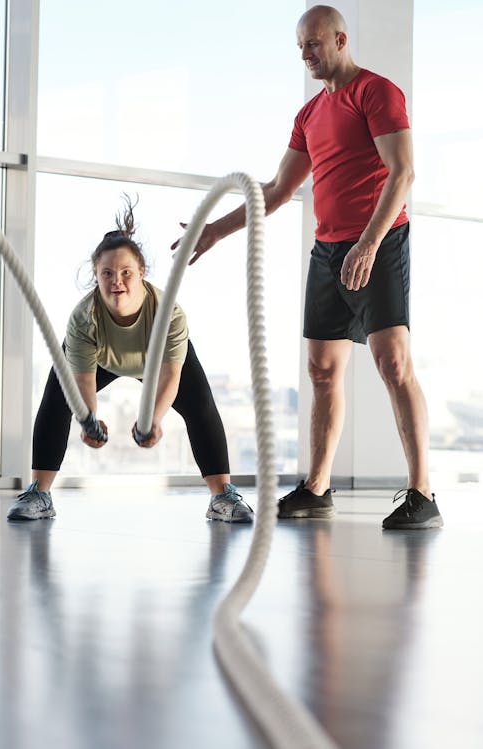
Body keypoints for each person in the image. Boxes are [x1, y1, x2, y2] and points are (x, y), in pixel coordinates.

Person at [171, 5, 443, 530]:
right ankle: (317, 488)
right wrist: (214, 231)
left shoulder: (376, 92)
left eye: (313, 44)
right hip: (327, 251)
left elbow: (403, 171)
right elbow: (275, 191)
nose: (305, 55)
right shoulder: (309, 114)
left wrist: (368, 243)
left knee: (392, 362)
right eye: (299, 47)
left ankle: (422, 493)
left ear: (340, 40)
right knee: (321, 370)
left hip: (380, 243)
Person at [7, 203, 253, 524]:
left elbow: (169, 375)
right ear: (96, 276)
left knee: (201, 405)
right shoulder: (84, 318)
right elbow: (83, 381)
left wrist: (151, 422)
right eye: (106, 273)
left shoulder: (168, 313)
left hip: (157, 362)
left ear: (141, 273)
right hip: (102, 357)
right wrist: (88, 421)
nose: (116, 281)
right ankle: (39, 493)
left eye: (126, 273)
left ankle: (222, 496)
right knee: (57, 397)